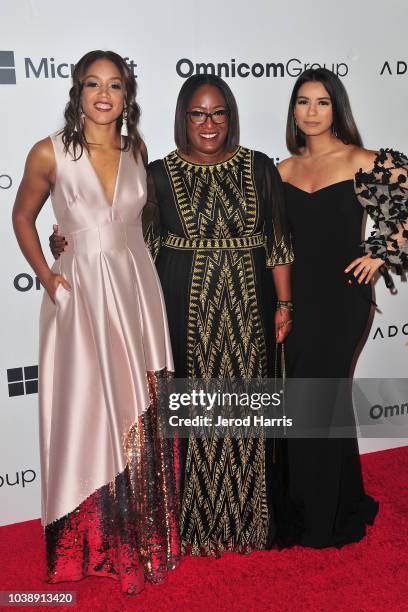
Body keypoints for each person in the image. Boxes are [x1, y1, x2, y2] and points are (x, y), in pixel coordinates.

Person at [12, 50, 179, 594]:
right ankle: (86, 544)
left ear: (127, 95)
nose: (103, 94)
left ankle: (140, 539)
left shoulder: (138, 150)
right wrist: (45, 272)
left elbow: (128, 226)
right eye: (92, 84)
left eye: (114, 85)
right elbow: (22, 215)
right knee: (88, 411)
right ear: (77, 93)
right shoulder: (49, 152)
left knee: (137, 403)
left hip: (136, 291)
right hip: (80, 294)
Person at [143, 74, 294, 556]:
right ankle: (198, 524)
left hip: (252, 304)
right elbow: (138, 249)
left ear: (230, 116)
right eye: (198, 114)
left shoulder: (260, 167)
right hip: (183, 301)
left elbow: (278, 241)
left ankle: (251, 519)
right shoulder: (158, 174)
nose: (209, 124)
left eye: (218, 113)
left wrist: (286, 303)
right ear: (183, 119)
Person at [278, 67, 408, 547]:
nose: (312, 112)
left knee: (320, 395)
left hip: (342, 300)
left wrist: (382, 250)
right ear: (293, 110)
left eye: (322, 102)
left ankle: (323, 518)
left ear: (337, 109)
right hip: (295, 301)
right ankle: (333, 498)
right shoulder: (282, 171)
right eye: (303, 102)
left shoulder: (362, 161)